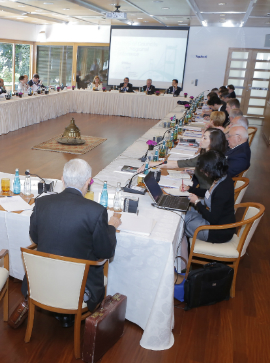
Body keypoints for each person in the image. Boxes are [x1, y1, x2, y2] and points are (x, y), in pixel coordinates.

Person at [21, 159, 121, 320]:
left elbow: (36, 237)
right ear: (88, 182)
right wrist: (111, 227)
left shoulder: (42, 203)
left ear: (62, 179)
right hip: (80, 290)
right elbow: (106, 251)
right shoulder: (95, 211)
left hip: (40, 282)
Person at [142, 128, 228, 191]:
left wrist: (150, 164)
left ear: (213, 142)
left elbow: (176, 164)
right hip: (202, 191)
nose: (201, 140)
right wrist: (195, 171)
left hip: (204, 196)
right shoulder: (215, 154)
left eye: (204, 138)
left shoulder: (209, 158)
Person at [184, 150, 236, 243]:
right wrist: (190, 189)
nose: (201, 170)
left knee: (180, 222)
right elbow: (208, 193)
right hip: (216, 223)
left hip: (217, 231)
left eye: (204, 169)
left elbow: (213, 219)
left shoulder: (222, 189)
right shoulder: (223, 178)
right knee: (182, 215)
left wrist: (197, 202)